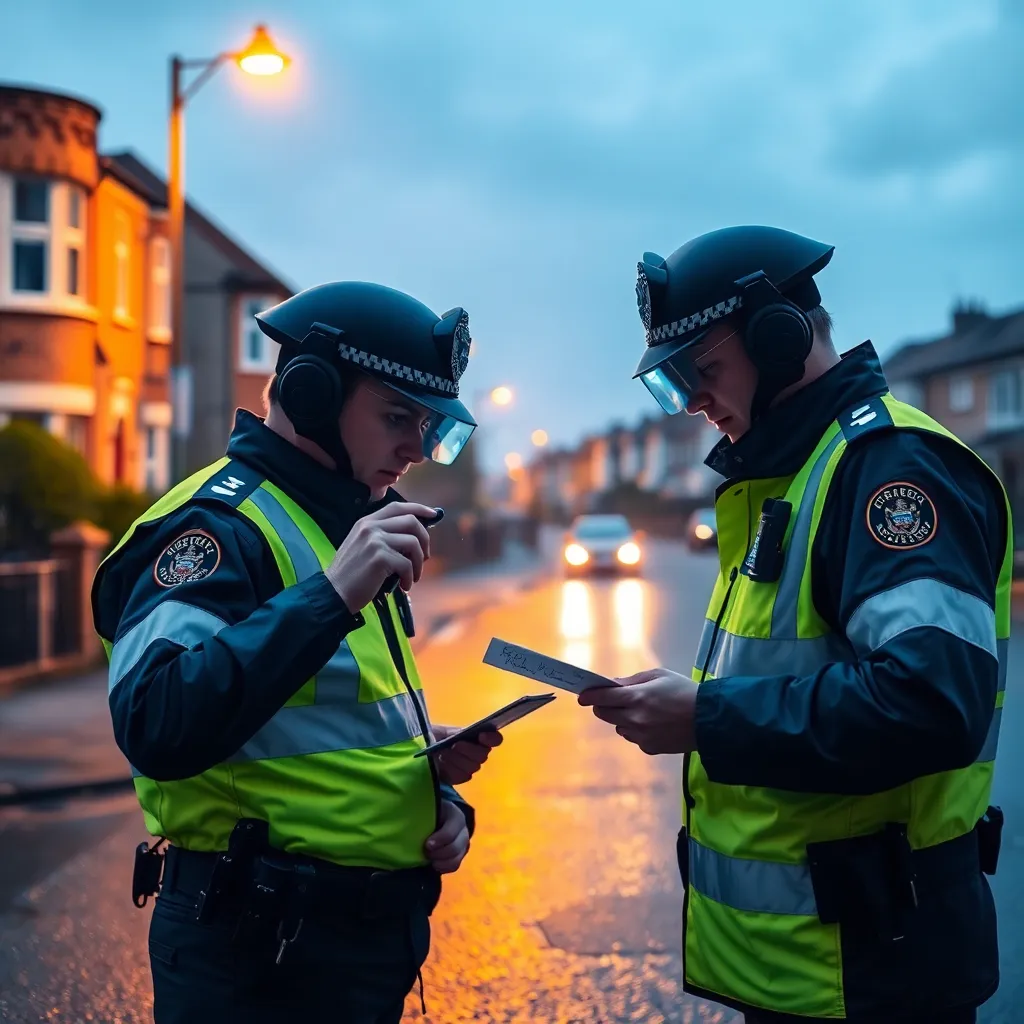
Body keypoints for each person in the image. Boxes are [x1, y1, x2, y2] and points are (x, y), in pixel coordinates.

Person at [580, 226, 1010, 1024]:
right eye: (674, 383)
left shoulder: (890, 471)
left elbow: (931, 702)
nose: (693, 400)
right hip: (812, 969)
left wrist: (704, 715)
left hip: (875, 972)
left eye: (700, 371)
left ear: (780, 339)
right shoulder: (787, 479)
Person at [91, 281, 503, 1024]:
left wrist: (430, 786)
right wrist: (332, 596)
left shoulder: (337, 524)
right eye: (396, 417)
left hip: (340, 950)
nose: (414, 447)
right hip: (258, 955)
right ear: (312, 396)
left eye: (428, 424)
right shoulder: (217, 528)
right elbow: (157, 720)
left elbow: (321, 728)